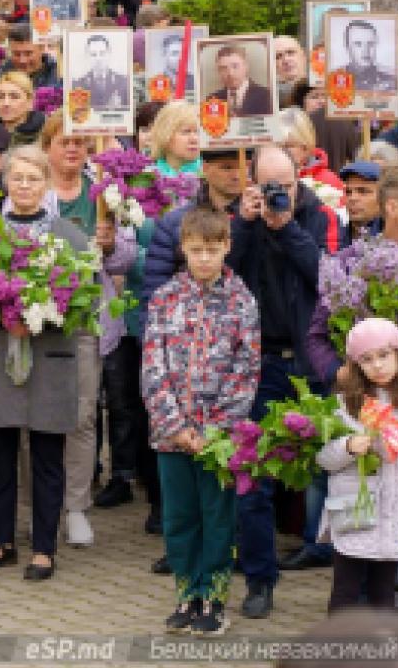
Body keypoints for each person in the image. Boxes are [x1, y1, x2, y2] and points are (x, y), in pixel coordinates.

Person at [0, 145, 93, 581]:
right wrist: (0, 315)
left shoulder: (68, 236)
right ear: (6, 183)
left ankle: (43, 548)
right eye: (17, 179)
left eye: (33, 179)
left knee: (45, 457)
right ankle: (2, 542)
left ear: (46, 184)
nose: (24, 187)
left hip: (48, 357)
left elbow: (84, 301)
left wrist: (47, 313)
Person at [226, 145, 336, 620]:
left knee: (335, 472)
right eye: (267, 185)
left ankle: (348, 586)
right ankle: (259, 580)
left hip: (311, 362)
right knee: (254, 477)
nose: (276, 194)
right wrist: (246, 223)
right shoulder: (240, 219)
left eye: (285, 185)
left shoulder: (318, 215)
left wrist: (286, 226)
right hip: (261, 362)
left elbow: (326, 277)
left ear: (298, 181)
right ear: (251, 183)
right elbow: (227, 273)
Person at [142, 205, 259, 636]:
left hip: (218, 439)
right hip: (171, 435)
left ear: (227, 246)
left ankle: (215, 598)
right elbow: (152, 366)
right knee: (179, 519)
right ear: (183, 249)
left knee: (217, 517)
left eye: (212, 249)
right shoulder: (164, 298)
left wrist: (214, 430)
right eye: (196, 250)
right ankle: (187, 593)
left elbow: (246, 371)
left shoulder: (242, 300)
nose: (205, 258)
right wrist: (175, 425)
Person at [315, 318, 398, 615]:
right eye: (367, 360)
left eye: (384, 355)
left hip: (396, 515)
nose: (378, 366)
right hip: (353, 513)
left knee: (383, 596)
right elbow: (322, 459)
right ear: (356, 366)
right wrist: (347, 447)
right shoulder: (344, 406)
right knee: (345, 592)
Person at [209, 44, 274, 118]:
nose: (230, 73)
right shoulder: (212, 100)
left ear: (246, 66)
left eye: (235, 66)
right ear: (218, 71)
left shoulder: (267, 97)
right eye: (223, 68)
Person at [72, 34, 129, 109]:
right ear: (87, 55)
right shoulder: (78, 85)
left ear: (109, 53)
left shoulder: (123, 82)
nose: (98, 58)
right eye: (93, 54)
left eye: (102, 53)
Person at [147, 101, 202, 176]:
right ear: (165, 134)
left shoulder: (209, 176)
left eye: (197, 132)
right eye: (186, 131)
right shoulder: (148, 175)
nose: (194, 139)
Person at [0, 72, 45, 146]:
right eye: (1, 96)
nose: (6, 103)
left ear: (30, 102)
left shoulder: (45, 135)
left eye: (14, 97)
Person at [340, 20, 396, 93]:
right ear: (347, 47)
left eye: (371, 44)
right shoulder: (335, 77)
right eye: (358, 44)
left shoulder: (391, 79)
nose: (365, 51)